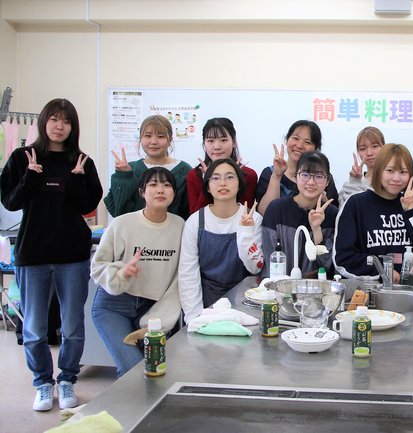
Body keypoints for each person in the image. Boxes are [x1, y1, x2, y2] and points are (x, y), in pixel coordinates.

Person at [0, 98, 103, 411]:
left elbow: (87, 206)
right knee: (33, 327)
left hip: (72, 254)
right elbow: (11, 202)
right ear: (44, 121)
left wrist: (75, 180)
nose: (60, 126)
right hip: (33, 254)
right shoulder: (22, 157)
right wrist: (31, 176)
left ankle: (68, 378)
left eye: (66, 121)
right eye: (55, 119)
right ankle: (43, 383)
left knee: (72, 325)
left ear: (73, 126)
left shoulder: (82, 161)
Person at [91, 167, 184, 378]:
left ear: (174, 192)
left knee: (156, 368)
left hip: (153, 306)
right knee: (131, 370)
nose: (160, 190)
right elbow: (98, 266)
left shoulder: (180, 226)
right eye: (153, 184)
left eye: (166, 185)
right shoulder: (122, 224)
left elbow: (179, 280)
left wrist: (162, 318)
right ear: (142, 192)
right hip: (114, 304)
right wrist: (120, 272)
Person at [334, 144, 413, 282]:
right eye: (390, 171)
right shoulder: (355, 204)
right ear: (378, 170)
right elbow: (343, 258)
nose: (396, 178)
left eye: (403, 172)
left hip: (407, 288)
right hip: (368, 290)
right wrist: (382, 270)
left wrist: (411, 212)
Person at [179, 159, 264, 323]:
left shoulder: (254, 218)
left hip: (245, 304)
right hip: (206, 304)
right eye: (215, 178)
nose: (223, 183)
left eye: (230, 177)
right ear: (208, 186)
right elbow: (188, 274)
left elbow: (255, 268)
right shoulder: (195, 221)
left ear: (239, 184)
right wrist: (195, 318)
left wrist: (246, 232)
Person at [261, 151, 337, 278]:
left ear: (327, 181)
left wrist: (316, 230)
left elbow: (327, 266)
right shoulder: (276, 210)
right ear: (296, 176)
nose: (311, 182)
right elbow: (271, 263)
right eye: (305, 175)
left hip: (316, 287)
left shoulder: (333, 214)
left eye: (319, 176)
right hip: (279, 286)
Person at [104, 114, 192, 219]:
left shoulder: (184, 170)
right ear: (140, 138)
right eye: (148, 136)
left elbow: (191, 211)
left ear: (170, 140)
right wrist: (123, 177)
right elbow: (118, 212)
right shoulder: (131, 169)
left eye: (160, 136)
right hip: (136, 228)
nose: (153, 142)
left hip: (175, 228)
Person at [255, 120, 338, 215]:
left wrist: (322, 199)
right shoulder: (270, 172)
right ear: (286, 140)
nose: (299, 146)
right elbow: (264, 213)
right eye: (295, 138)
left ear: (316, 148)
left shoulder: (322, 178)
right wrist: (276, 176)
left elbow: (335, 216)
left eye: (307, 142)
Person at [186, 118, 257, 215]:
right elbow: (195, 216)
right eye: (210, 141)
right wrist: (207, 182)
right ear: (204, 143)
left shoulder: (248, 175)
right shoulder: (194, 175)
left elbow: (246, 213)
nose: (217, 147)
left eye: (223, 140)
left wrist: (236, 179)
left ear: (234, 142)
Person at [338, 126, 385, 207]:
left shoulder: (393, 180)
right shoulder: (351, 184)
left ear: (384, 147)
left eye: (374, 146)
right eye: (363, 149)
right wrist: (354, 181)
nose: (369, 153)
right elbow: (345, 209)